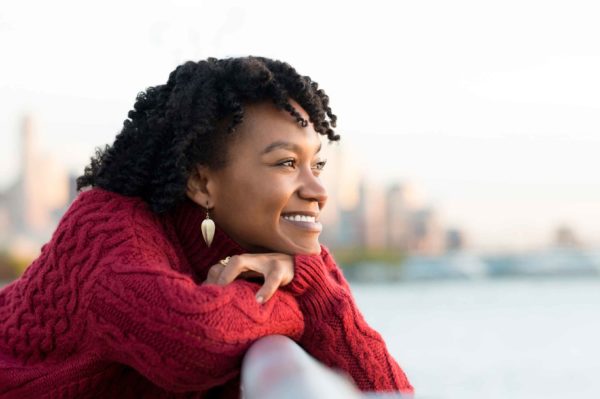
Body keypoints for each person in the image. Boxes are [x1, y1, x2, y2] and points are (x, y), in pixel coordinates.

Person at [0, 56, 414, 398]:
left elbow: (387, 390)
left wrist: (306, 276)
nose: (318, 190)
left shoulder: (283, 254)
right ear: (201, 182)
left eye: (317, 164)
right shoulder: (107, 231)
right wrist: (292, 297)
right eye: (287, 163)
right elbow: (196, 341)